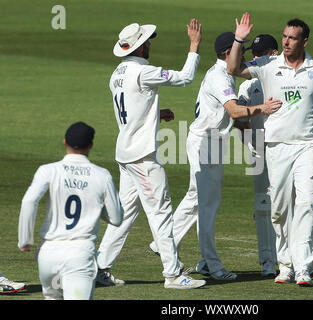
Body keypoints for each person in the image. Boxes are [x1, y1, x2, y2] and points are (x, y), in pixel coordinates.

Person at [227, 13, 313, 286]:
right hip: (276, 146)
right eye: (284, 37)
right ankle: (285, 264)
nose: (286, 42)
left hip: (307, 144)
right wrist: (239, 39)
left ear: (304, 41)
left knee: (307, 201)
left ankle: (303, 266)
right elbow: (232, 69)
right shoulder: (267, 65)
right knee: (280, 207)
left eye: (292, 38)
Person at [151, 32, 282, 281]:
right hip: (206, 144)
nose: (241, 57)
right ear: (226, 53)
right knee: (208, 207)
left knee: (195, 197)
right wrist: (262, 109)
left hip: (207, 141)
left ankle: (163, 242)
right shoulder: (220, 76)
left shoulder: (220, 73)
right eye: (239, 51)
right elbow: (234, 111)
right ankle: (211, 264)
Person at [95, 19, 206, 289]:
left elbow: (132, 108)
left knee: (125, 214)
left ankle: (98, 269)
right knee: (160, 211)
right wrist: (194, 46)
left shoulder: (117, 74)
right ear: (138, 46)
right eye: (146, 41)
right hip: (142, 156)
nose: (149, 44)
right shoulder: (143, 71)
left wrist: (157, 112)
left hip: (125, 153)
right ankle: (173, 274)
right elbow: (185, 78)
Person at [18, 122, 124, 300]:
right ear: (91, 145)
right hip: (79, 255)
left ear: (65, 142)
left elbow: (29, 200)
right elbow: (117, 218)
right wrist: (97, 207)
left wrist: (25, 239)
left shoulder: (47, 170)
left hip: (48, 255)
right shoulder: (102, 175)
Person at [236, 34, 279, 277]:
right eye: (252, 54)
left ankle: (301, 259)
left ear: (273, 54)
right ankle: (267, 261)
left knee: (293, 204)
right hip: (259, 154)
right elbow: (239, 119)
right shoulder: (247, 85)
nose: (254, 58)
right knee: (263, 206)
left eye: (259, 54)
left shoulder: (284, 80)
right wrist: (251, 144)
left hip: (285, 149)